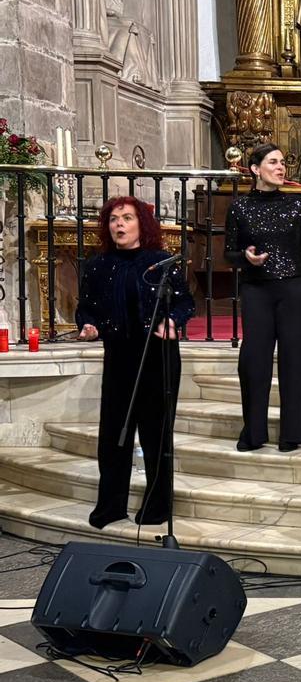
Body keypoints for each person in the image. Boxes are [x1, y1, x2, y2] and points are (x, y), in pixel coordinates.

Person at [76, 196, 194, 529]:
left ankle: (157, 507)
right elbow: (86, 308)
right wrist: (87, 324)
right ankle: (110, 505)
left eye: (127, 218)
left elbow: (185, 302)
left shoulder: (160, 262)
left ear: (141, 224)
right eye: (113, 219)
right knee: (114, 433)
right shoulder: (98, 265)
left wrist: (172, 320)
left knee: (156, 434)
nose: (119, 225)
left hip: (158, 356)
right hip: (119, 356)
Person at [225, 142, 301, 451]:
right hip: (257, 290)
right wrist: (246, 257)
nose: (281, 168)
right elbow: (229, 254)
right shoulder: (239, 207)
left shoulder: (296, 205)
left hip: (295, 289)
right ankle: (253, 433)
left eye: (283, 162)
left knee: (294, 362)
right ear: (256, 169)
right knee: (253, 361)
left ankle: (291, 434)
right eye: (273, 162)